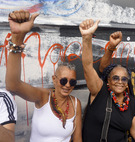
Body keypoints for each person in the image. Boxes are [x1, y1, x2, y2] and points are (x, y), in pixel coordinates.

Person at [5, 10, 82, 142]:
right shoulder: (43, 97)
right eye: (63, 80)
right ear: (54, 79)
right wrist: (17, 38)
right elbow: (13, 85)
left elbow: (77, 139)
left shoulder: (75, 104)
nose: (68, 85)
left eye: (72, 82)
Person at [79, 19, 135, 142]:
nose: (120, 81)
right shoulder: (99, 91)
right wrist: (87, 37)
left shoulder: (131, 103)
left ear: (127, 84)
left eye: (124, 79)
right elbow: (88, 66)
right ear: (108, 81)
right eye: (115, 78)